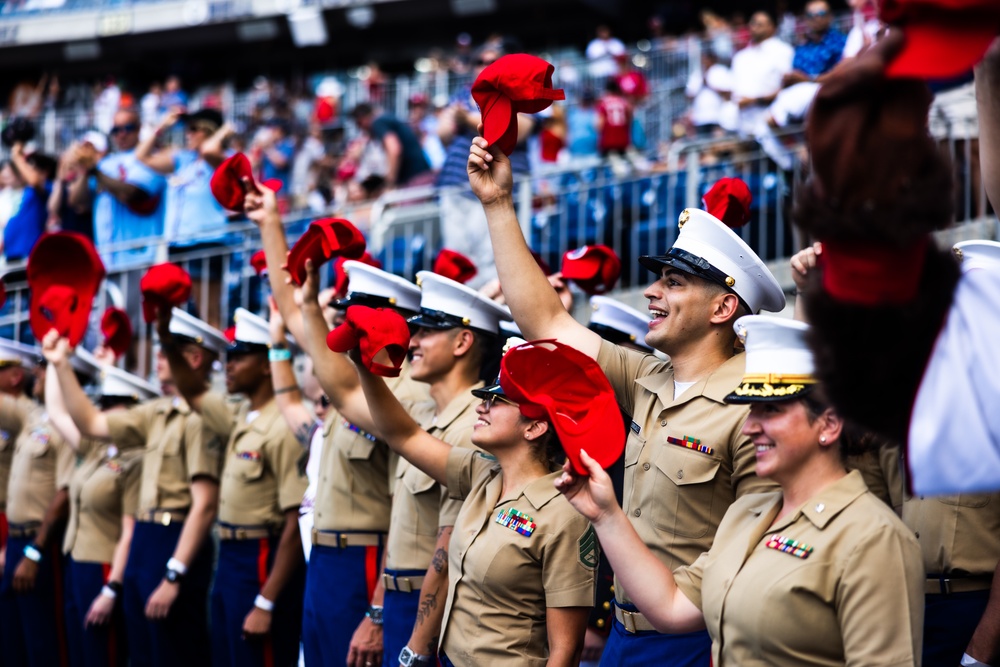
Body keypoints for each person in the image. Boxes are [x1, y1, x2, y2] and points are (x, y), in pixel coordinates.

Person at [468, 136, 785, 665]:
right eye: (658, 280)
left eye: (674, 283)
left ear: (724, 307)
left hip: (697, 640)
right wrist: (498, 203)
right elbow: (545, 322)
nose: (651, 294)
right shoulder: (648, 377)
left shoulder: (760, 402)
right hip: (623, 632)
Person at [555, 315, 924, 664]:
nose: (750, 427)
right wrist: (605, 515)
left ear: (828, 424)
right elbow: (670, 606)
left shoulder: (875, 538)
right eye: (750, 410)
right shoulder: (747, 514)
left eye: (771, 411)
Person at [246, 184, 427, 667]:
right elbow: (294, 314)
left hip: (366, 563)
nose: (344, 325)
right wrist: (269, 223)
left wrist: (378, 610)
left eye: (357, 316)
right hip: (323, 559)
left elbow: (405, 516)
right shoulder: (350, 382)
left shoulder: (409, 395)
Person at [299, 264, 509, 667]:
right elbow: (344, 395)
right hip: (398, 597)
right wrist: (313, 308)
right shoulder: (425, 415)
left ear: (463, 341)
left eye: (426, 331)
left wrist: (416, 641)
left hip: (424, 603)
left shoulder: (474, 426)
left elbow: (447, 551)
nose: (412, 340)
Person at [351, 336, 599, 666]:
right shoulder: (482, 474)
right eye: (485, 398)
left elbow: (565, 651)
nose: (481, 407)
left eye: (498, 402)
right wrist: (364, 365)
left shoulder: (564, 512)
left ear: (535, 426)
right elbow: (404, 436)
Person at [49, 308, 226, 667]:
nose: (158, 358)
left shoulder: (203, 418)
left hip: (174, 540)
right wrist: (61, 364)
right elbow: (91, 422)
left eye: (166, 351)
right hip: (147, 539)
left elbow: (204, 505)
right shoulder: (157, 412)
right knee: (144, 653)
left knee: (173, 652)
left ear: (193, 358)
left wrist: (174, 574)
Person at [159, 306, 307, 667]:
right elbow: (192, 389)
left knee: (257, 656)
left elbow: (294, 523)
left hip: (261, 558)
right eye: (228, 355)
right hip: (230, 557)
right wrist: (165, 335)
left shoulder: (283, 425)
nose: (229, 364)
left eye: (240, 356)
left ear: (266, 364)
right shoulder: (239, 413)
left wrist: (266, 600)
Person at [46, 347, 156, 667]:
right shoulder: (96, 448)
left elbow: (129, 532)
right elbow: (56, 410)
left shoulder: (136, 460)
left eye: (112, 405)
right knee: (79, 654)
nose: (101, 411)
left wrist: (111, 589)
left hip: (104, 568)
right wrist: (57, 361)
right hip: (76, 562)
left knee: (101, 656)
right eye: (102, 403)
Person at [435, 43, 534, 288]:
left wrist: (466, 118)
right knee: (458, 261)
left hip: (496, 187)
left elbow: (521, 129)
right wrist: (458, 117)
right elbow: (443, 133)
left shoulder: (515, 93)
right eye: (480, 61)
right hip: (456, 185)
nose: (485, 66)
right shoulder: (462, 94)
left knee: (494, 259)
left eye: (492, 60)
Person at [0, 339, 73, 667]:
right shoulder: (33, 417)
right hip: (16, 540)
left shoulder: (70, 424)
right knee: (12, 641)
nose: (37, 373)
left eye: (44, 368)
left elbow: (64, 493)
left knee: (44, 642)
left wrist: (34, 551)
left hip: (39, 544)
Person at [135, 108, 232, 327]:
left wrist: (223, 132)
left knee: (209, 312)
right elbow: (141, 156)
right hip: (178, 244)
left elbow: (208, 151)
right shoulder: (183, 159)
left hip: (206, 242)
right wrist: (162, 126)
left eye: (194, 129)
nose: (188, 133)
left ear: (209, 132)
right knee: (177, 316)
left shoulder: (220, 159)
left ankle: (216, 361)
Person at [68, 107, 166, 268]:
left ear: (139, 128)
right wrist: (86, 171)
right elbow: (76, 201)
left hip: (141, 256)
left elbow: (133, 193)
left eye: (128, 128)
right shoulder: (105, 164)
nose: (122, 134)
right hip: (107, 258)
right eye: (116, 129)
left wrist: (96, 172)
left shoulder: (151, 160)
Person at [730, 11, 794, 138]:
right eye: (752, 23)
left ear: (772, 27)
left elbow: (787, 87)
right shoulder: (740, 57)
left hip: (772, 123)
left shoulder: (783, 51)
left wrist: (754, 100)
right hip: (743, 125)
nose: (754, 27)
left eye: (760, 24)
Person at [351, 103, 433, 189]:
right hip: (421, 175)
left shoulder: (378, 122)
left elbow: (394, 149)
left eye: (358, 123)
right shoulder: (386, 119)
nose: (360, 128)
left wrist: (390, 183)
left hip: (415, 179)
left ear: (362, 119)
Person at [4, 143, 55, 262]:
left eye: (31, 166)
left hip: (28, 252)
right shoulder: (28, 189)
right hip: (12, 251)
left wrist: (17, 157)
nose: (26, 168)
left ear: (45, 171)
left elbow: (34, 180)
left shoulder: (47, 187)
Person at [783, 1, 847, 85]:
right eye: (810, 16)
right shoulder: (802, 48)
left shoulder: (841, 43)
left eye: (821, 14)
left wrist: (809, 80)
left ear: (830, 16)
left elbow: (841, 74)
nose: (816, 19)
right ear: (805, 19)